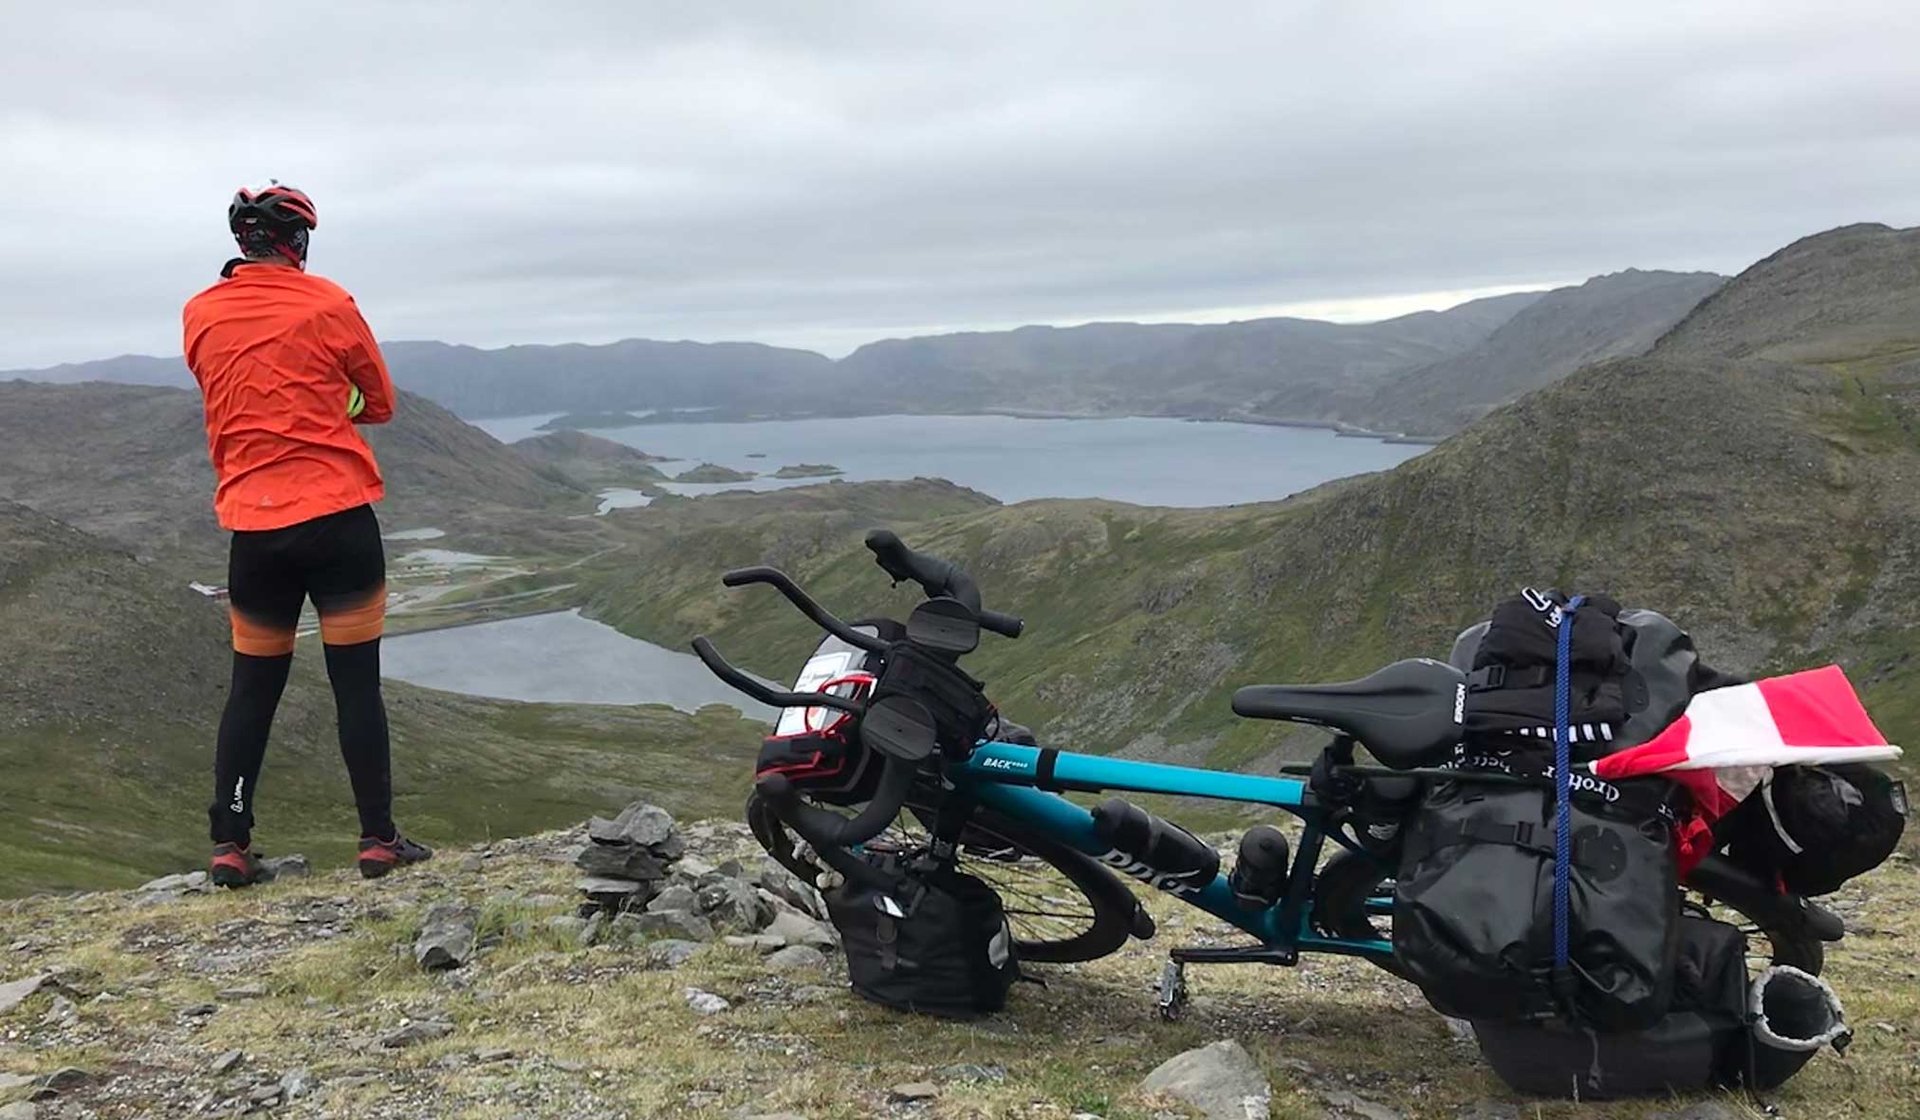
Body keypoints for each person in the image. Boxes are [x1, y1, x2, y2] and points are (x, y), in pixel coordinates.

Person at [182, 182, 432, 886]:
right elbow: (377, 402)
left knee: (251, 690)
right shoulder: (329, 303)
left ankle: (229, 845)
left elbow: (222, 386)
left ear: (241, 244)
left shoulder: (199, 312)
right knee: (357, 686)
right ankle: (378, 840)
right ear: (300, 244)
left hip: (253, 529)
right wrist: (333, 400)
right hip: (338, 519)